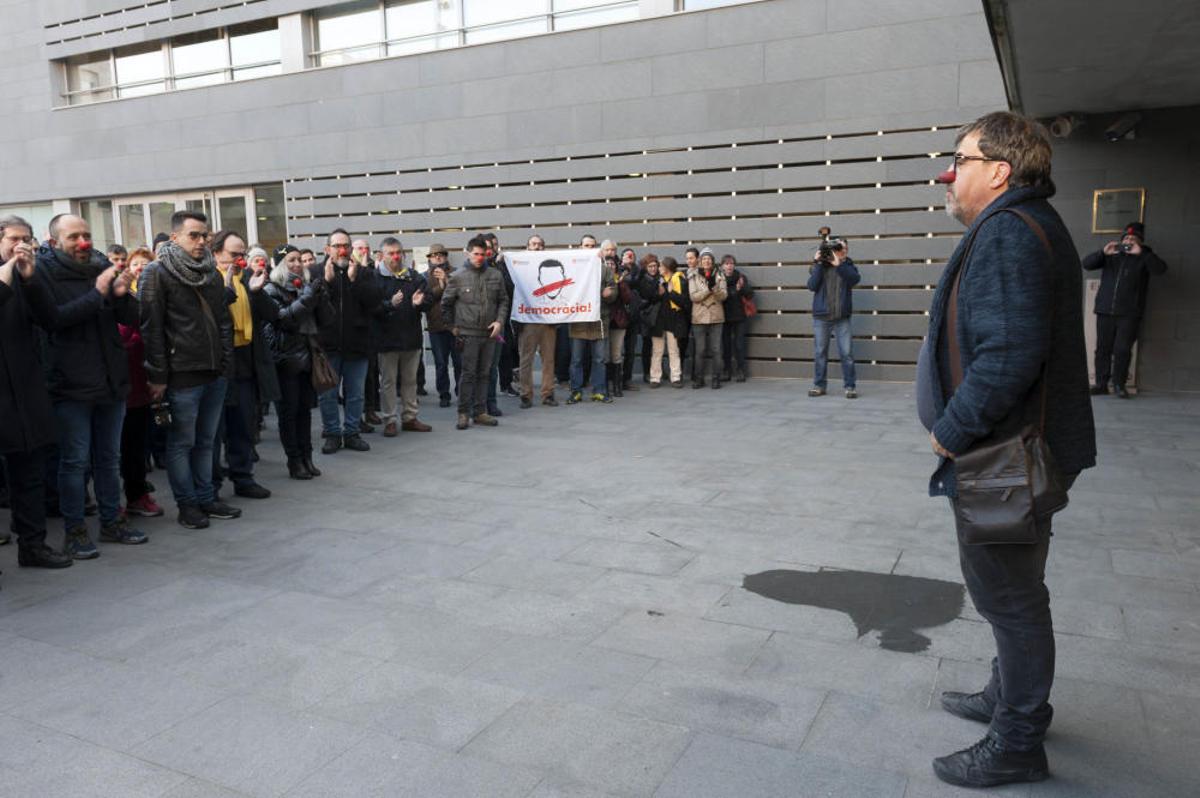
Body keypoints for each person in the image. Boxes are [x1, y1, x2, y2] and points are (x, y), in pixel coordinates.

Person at [919, 111, 1096, 788]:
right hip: (1015, 453)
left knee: (1010, 598)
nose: (949, 174)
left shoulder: (1009, 233)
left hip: (1004, 457)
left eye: (960, 161)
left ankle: (1018, 739)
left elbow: (1008, 356)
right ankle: (1006, 696)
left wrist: (950, 430)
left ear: (998, 171)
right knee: (1012, 591)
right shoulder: (1020, 224)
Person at [25, 214, 147, 557]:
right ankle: (75, 531)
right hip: (70, 385)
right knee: (75, 462)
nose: (84, 242)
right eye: (74, 237)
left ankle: (112, 522)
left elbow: (132, 318)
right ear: (54, 242)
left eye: (87, 234)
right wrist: (98, 293)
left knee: (109, 459)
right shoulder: (42, 272)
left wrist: (121, 295)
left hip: (110, 381)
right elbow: (54, 320)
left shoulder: (100, 265)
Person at [139, 210, 240, 530]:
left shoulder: (211, 271)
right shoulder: (156, 272)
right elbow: (151, 328)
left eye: (204, 235)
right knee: (182, 443)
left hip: (214, 372)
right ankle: (188, 505)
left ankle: (207, 497)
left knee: (206, 441)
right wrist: (157, 375)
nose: (201, 241)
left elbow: (223, 322)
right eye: (193, 235)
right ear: (175, 237)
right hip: (181, 374)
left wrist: (225, 365)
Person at [0, 214, 72, 570]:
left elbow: (51, 320)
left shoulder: (27, 276)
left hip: (25, 390)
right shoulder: (4, 277)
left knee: (29, 474)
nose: (21, 246)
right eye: (14, 239)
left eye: (26, 239)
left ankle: (33, 546)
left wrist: (29, 281)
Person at [210, 236, 275, 500]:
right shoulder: (208, 280)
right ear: (216, 253)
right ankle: (211, 485)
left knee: (243, 424)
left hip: (246, 359)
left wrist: (257, 292)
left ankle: (243, 476)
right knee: (214, 430)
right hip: (218, 362)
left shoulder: (248, 278)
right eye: (234, 254)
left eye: (242, 254)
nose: (239, 260)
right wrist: (225, 289)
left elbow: (272, 315)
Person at [263, 245, 329, 480]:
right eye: (291, 260)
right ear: (281, 264)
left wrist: (322, 298)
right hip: (286, 360)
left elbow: (326, 320)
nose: (297, 264)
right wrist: (308, 299)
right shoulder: (271, 289)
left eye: (299, 260)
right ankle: (294, 460)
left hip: (308, 357)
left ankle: (307, 457)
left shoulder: (305, 287)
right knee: (288, 413)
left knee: (305, 411)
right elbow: (283, 320)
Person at [1081, 221, 1167, 398]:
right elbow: (1087, 264)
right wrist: (1103, 252)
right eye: (1126, 238)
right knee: (1103, 349)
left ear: (1140, 242)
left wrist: (1142, 253)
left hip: (1129, 313)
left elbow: (1160, 269)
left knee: (1122, 349)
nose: (1128, 241)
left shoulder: (1145, 256)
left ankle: (1119, 385)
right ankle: (1101, 384)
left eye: (1133, 239)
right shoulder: (1112, 255)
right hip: (1105, 310)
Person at [314, 229, 377, 454]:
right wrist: (326, 282)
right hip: (327, 347)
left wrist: (353, 281)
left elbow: (374, 303)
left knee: (356, 394)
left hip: (357, 346)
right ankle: (332, 433)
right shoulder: (316, 271)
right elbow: (311, 305)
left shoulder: (364, 272)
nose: (342, 250)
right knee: (328, 395)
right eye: (337, 246)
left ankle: (352, 433)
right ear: (327, 249)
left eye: (346, 246)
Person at [442, 235, 509, 430]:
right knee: (468, 374)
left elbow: (503, 301)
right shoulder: (457, 276)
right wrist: (452, 327)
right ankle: (463, 413)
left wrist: (499, 321)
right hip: (467, 334)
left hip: (489, 334)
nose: (480, 258)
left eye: (483, 254)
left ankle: (480, 412)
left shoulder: (495, 275)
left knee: (484, 374)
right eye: (476, 254)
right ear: (468, 253)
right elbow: (446, 304)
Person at [119, 247, 163, 518]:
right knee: (116, 449)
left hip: (141, 384)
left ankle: (136, 495)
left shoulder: (148, 299)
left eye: (146, 265)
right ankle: (115, 502)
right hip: (119, 385)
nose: (140, 269)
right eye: (135, 264)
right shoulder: (118, 298)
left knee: (136, 445)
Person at [372, 237, 433, 436]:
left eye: (398, 252)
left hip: (410, 338)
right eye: (391, 253)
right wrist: (389, 304)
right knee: (388, 383)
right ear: (382, 255)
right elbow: (371, 308)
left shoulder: (413, 276)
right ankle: (389, 419)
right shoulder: (375, 278)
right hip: (386, 340)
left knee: (410, 381)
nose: (396, 257)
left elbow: (429, 300)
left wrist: (418, 304)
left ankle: (409, 418)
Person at [807, 233, 860, 399]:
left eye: (845, 249)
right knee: (820, 353)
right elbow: (811, 286)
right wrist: (817, 263)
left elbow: (854, 279)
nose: (843, 251)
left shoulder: (848, 265)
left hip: (842, 317)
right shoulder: (821, 266)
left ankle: (850, 387)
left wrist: (839, 265)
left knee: (847, 353)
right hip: (821, 317)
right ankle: (819, 385)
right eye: (839, 249)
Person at [567, 241, 616, 405]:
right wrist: (601, 292)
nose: (589, 248)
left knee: (599, 360)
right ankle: (576, 391)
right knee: (576, 360)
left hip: (599, 321)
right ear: (580, 247)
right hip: (579, 321)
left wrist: (609, 294)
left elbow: (613, 292)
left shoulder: (605, 270)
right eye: (586, 245)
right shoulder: (573, 269)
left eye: (592, 245)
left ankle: (599, 391)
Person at [518, 233, 558, 408]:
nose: (536, 247)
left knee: (548, 359)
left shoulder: (551, 266)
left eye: (540, 244)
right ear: (527, 247)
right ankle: (525, 395)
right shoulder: (520, 266)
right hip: (527, 320)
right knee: (526, 359)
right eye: (533, 244)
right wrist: (503, 261)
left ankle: (547, 394)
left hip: (548, 320)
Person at [423, 243, 461, 408]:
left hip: (456, 326)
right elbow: (426, 298)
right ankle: (444, 395)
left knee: (459, 362)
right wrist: (440, 287)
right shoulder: (424, 276)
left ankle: (461, 393)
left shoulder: (457, 272)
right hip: (436, 327)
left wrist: (446, 280)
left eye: (441, 254)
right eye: (434, 255)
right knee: (440, 363)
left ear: (446, 256)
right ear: (430, 258)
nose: (438, 257)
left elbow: (461, 294)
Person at [687, 247, 728, 389]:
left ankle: (716, 379)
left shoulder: (720, 274)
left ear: (713, 260)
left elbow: (723, 295)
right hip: (699, 317)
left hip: (716, 316)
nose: (706, 261)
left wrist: (715, 289)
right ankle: (699, 379)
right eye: (704, 258)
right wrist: (707, 290)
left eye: (709, 258)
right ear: (700, 261)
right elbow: (693, 296)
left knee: (717, 349)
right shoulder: (693, 275)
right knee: (700, 350)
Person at [352, 238, 381, 432]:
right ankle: (357, 416)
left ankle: (371, 409)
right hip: (354, 330)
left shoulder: (373, 268)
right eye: (360, 248)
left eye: (367, 248)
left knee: (371, 373)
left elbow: (375, 294)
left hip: (370, 328)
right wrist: (362, 270)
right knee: (356, 378)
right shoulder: (350, 268)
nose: (364, 251)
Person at [604, 242, 635, 398]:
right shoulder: (599, 280)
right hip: (603, 321)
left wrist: (620, 284)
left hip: (618, 321)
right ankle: (605, 385)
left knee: (616, 354)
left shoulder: (621, 280)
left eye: (612, 264)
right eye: (607, 264)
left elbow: (628, 299)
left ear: (616, 266)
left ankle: (617, 386)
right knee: (605, 355)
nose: (610, 267)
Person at [720, 254, 753, 382]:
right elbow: (719, 296)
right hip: (723, 317)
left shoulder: (741, 277)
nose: (729, 266)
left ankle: (740, 370)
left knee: (739, 345)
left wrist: (742, 288)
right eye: (727, 263)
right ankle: (726, 370)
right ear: (722, 266)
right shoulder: (719, 278)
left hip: (739, 317)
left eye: (731, 263)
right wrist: (735, 290)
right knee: (726, 346)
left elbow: (750, 295)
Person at [636, 255, 667, 387]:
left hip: (659, 316)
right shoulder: (643, 280)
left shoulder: (661, 278)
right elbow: (648, 297)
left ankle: (658, 370)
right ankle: (647, 372)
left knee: (659, 346)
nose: (653, 269)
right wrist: (659, 294)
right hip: (647, 317)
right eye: (650, 266)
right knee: (647, 345)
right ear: (645, 267)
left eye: (655, 266)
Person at [618, 248, 642, 392]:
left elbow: (636, 283)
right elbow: (623, 282)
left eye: (631, 255)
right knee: (616, 351)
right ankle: (614, 379)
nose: (629, 257)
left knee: (630, 351)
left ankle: (627, 379)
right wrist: (624, 268)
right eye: (626, 255)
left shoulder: (638, 271)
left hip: (633, 316)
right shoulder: (617, 270)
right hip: (619, 317)